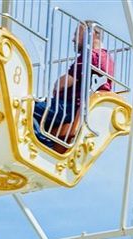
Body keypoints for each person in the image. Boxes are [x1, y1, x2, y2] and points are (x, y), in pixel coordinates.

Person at [33, 22, 117, 150]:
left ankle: (41, 144)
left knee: (27, 106)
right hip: (78, 109)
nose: (73, 39)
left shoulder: (90, 56)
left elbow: (64, 83)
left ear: (92, 34)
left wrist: (57, 85)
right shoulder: (107, 59)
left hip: (69, 107)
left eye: (77, 34)